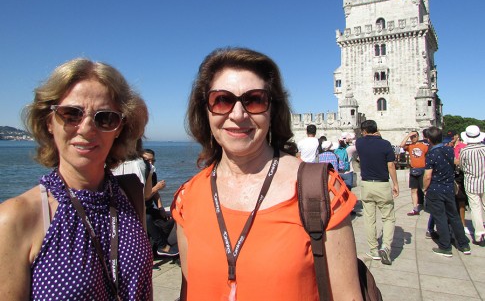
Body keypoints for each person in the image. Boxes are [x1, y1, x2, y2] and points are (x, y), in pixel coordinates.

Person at [172, 47, 362, 301]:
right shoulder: (188, 197)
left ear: (272, 110)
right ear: (205, 111)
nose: (238, 115)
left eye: (254, 100)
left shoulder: (322, 191)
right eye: (222, 100)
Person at [0, 58, 153, 299]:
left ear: (120, 128)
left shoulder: (130, 191)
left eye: (105, 118)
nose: (86, 128)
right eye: (71, 114)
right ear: (49, 121)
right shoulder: (16, 218)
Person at [355, 119, 399, 265]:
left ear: (364, 131)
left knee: (369, 218)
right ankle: (386, 246)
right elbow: (391, 165)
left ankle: (373, 250)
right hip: (382, 184)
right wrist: (396, 184)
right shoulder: (385, 144)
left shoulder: (359, 143)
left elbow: (365, 140)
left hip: (366, 184)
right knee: (388, 217)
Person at [423, 126, 471, 257]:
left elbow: (428, 175)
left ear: (429, 139)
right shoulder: (449, 150)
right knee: (454, 216)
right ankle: (463, 244)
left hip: (436, 188)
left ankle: (445, 246)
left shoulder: (431, 153)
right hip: (449, 187)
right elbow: (456, 161)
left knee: (440, 217)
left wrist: (425, 188)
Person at [142, 148, 179, 257]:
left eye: (152, 161)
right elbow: (143, 197)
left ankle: (158, 246)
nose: (150, 163)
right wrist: (156, 187)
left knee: (171, 217)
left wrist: (161, 208)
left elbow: (155, 194)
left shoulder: (152, 174)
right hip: (140, 209)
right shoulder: (139, 174)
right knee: (148, 218)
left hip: (149, 207)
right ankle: (162, 246)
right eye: (146, 160)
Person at [459, 125, 485, 244]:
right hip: (484, 180)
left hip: (471, 182)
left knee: (475, 208)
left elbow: (462, 166)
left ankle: (479, 234)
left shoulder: (464, 151)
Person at [400, 131, 428, 216]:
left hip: (422, 169)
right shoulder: (410, 146)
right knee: (413, 190)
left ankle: (429, 205)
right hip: (414, 169)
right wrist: (408, 135)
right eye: (412, 137)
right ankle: (415, 208)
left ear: (418, 137)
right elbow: (401, 145)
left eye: (415, 136)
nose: (413, 138)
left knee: (425, 189)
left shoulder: (423, 146)